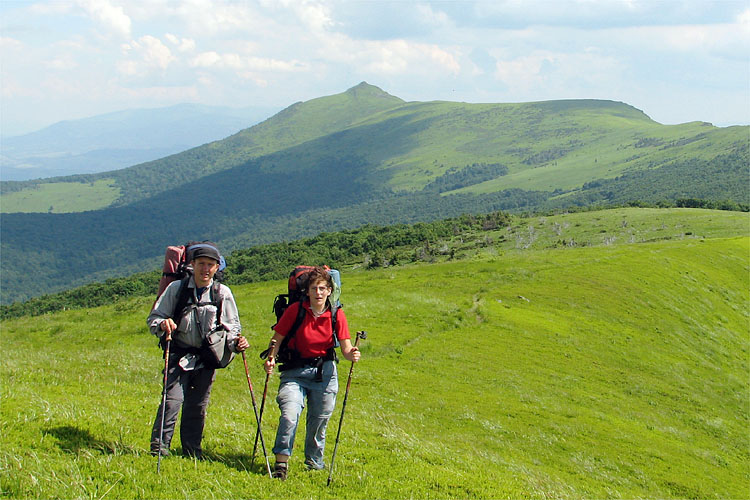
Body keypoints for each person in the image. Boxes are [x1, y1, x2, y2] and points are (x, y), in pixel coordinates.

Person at [148, 242, 249, 459]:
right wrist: (163, 324)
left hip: (207, 358)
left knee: (198, 405)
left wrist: (236, 343)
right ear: (192, 265)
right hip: (178, 354)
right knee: (172, 401)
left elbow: (232, 327)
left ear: (217, 268)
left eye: (210, 265)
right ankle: (159, 448)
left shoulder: (222, 292)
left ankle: (192, 450)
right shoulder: (176, 289)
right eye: (201, 264)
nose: (205, 269)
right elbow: (154, 318)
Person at [263, 266, 360, 480]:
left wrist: (351, 353)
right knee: (289, 414)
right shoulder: (295, 310)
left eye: (323, 288)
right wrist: (270, 358)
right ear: (307, 291)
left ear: (329, 291)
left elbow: (344, 348)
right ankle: (281, 463)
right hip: (294, 372)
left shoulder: (336, 314)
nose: (318, 292)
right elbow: (277, 339)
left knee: (319, 420)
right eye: (314, 288)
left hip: (325, 374)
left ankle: (314, 463)